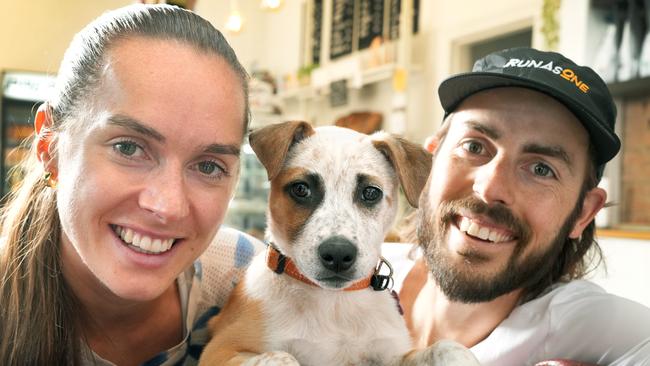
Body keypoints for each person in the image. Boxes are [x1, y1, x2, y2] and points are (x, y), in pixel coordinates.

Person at [0, 4, 265, 365]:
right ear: (50, 148)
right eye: (128, 147)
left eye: (208, 166)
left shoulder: (251, 280)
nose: (168, 205)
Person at [389, 47, 650, 365]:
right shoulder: (359, 279)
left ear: (583, 213)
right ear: (431, 161)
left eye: (541, 168)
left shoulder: (586, 328)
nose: (490, 188)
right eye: (474, 146)